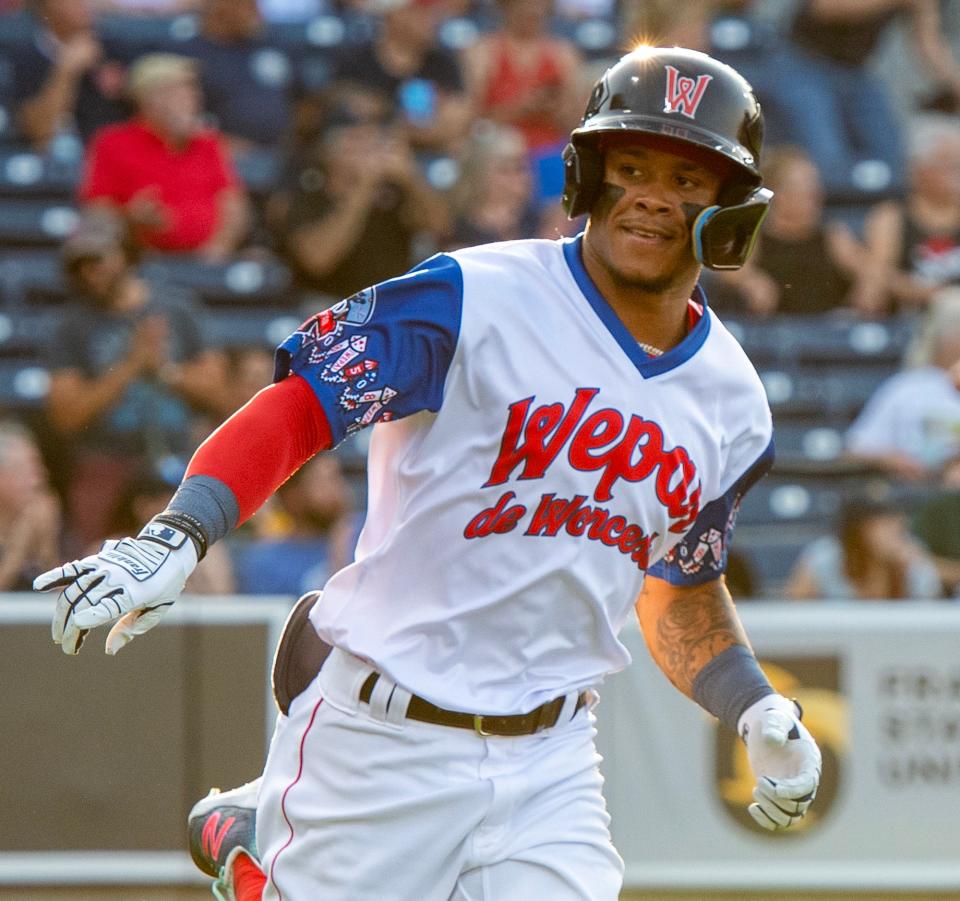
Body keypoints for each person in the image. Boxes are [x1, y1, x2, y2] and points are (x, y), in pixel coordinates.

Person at [35, 48, 821, 901]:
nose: (653, 197)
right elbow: (304, 406)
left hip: (554, 757)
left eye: (688, 179)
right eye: (630, 166)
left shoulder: (733, 400)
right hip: (382, 735)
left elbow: (679, 583)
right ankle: (259, 849)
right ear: (587, 175)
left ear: (732, 211)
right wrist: (180, 532)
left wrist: (754, 704)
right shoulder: (468, 294)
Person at [45, 209, 233, 551]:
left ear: (125, 254)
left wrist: (163, 369)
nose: (90, 273)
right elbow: (65, 416)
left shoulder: (177, 309)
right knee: (96, 558)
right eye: (79, 265)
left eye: (98, 260)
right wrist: (131, 366)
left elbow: (221, 393)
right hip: (104, 462)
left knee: (199, 555)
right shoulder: (71, 325)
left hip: (181, 458)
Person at [78, 53, 250, 260]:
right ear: (149, 99)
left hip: (210, 259)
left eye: (192, 90)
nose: (193, 98)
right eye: (179, 91)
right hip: (139, 258)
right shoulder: (112, 142)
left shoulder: (207, 142)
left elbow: (233, 203)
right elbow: (97, 209)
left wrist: (219, 247)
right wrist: (131, 218)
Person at [280, 104, 449, 299]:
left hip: (390, 301)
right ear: (329, 153)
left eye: (373, 142)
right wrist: (361, 191)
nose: (368, 151)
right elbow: (318, 261)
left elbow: (439, 228)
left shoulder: (396, 190)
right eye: (356, 142)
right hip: (329, 305)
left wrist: (411, 179)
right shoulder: (308, 193)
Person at [714, 145, 886, 317]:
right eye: (803, 188)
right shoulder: (756, 234)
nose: (815, 195)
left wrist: (868, 285)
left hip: (826, 329)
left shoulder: (832, 234)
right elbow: (728, 270)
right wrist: (749, 279)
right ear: (778, 193)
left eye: (814, 186)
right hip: (774, 332)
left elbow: (869, 269)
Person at [844, 286, 960, 481]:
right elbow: (854, 450)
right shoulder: (907, 387)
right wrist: (890, 460)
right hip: (915, 493)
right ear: (945, 338)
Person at [9, 0, 132, 149]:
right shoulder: (24, 56)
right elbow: (38, 134)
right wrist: (66, 70)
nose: (84, 4)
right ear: (45, 7)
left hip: (111, 154)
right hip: (53, 160)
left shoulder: (117, 47)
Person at [785, 493, 943, 601]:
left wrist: (907, 571)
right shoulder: (827, 554)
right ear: (859, 529)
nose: (895, 527)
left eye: (895, 520)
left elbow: (929, 612)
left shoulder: (910, 553)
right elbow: (794, 608)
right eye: (883, 523)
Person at [0, 421, 62, 592]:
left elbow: (66, 601)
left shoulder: (44, 518)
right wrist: (19, 545)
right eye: (30, 469)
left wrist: (46, 545)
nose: (41, 476)